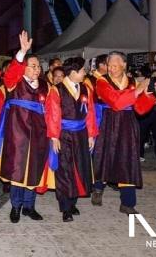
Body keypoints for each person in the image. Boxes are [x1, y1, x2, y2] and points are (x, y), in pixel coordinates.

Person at [0, 31, 50, 224]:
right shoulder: (13, 83)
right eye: (32, 66)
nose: (36, 69)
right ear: (24, 68)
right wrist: (22, 53)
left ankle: (29, 207)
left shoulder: (45, 86)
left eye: (38, 66)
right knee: (17, 170)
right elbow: (10, 73)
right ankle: (16, 206)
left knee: (34, 170)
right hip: (17, 134)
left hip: (39, 135)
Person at [91, 51, 156, 215]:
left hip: (127, 123)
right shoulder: (101, 81)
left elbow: (140, 109)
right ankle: (98, 188)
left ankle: (127, 203)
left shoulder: (133, 82)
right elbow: (115, 102)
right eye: (109, 65)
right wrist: (136, 92)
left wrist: (148, 93)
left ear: (124, 65)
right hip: (108, 122)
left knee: (128, 160)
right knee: (104, 156)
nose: (111, 69)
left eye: (115, 65)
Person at [47, 57, 97, 222]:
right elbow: (53, 114)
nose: (85, 73)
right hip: (64, 135)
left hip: (81, 134)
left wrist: (91, 134)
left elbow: (90, 113)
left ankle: (73, 200)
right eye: (83, 70)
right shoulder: (57, 90)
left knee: (80, 167)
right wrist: (54, 136)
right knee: (65, 170)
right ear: (74, 72)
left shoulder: (86, 89)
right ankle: (65, 207)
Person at [136, 68, 156, 165]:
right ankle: (139, 155)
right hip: (145, 115)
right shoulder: (145, 86)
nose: (155, 78)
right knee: (141, 136)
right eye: (153, 76)